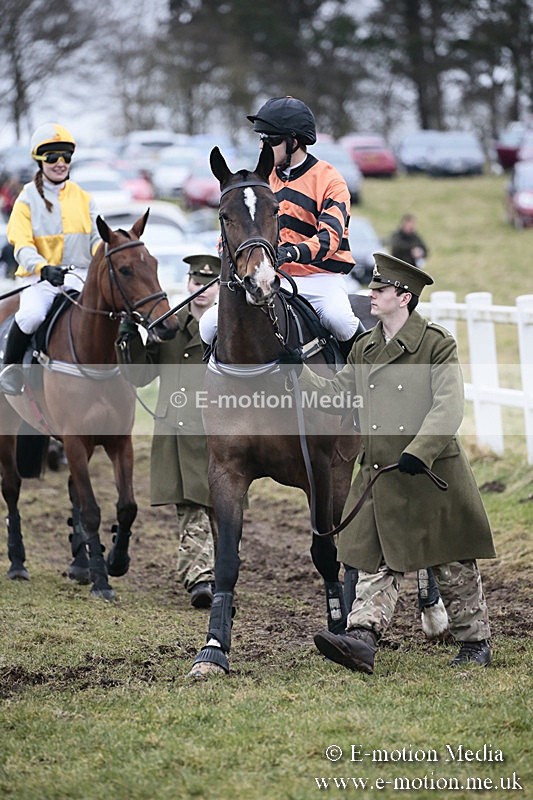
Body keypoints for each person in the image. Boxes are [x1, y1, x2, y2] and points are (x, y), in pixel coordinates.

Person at [296, 252, 495, 673]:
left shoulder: (436, 344)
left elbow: (448, 408)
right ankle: (361, 638)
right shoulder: (365, 347)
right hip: (380, 475)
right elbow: (337, 395)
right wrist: (298, 373)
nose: (371, 294)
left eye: (380, 290)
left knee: (452, 561)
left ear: (403, 297)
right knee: (373, 559)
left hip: (430, 473)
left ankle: (475, 643)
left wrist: (418, 452)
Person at [200, 96, 360, 353]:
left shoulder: (330, 180)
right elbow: (231, 233)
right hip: (268, 275)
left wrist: (288, 253)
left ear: (293, 142)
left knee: (339, 320)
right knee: (207, 326)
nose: (263, 146)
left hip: (320, 278)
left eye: (270, 139)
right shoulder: (259, 181)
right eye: (261, 139)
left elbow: (330, 239)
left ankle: (363, 381)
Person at [116, 254, 220, 609]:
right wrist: (129, 337)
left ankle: (219, 573)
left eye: (208, 284)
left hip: (220, 437)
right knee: (191, 509)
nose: (200, 290)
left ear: (221, 289)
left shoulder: (233, 330)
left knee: (222, 512)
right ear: (188, 284)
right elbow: (141, 376)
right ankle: (200, 579)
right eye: (195, 283)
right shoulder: (169, 324)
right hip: (177, 436)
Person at [0, 123, 100, 395]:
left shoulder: (84, 198)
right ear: (39, 161)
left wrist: (103, 255)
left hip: (78, 276)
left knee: (104, 312)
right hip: (41, 278)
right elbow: (21, 244)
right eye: (52, 157)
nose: (60, 163)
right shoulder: (26, 199)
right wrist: (42, 268)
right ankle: (11, 371)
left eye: (65, 157)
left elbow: (96, 240)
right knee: (31, 316)